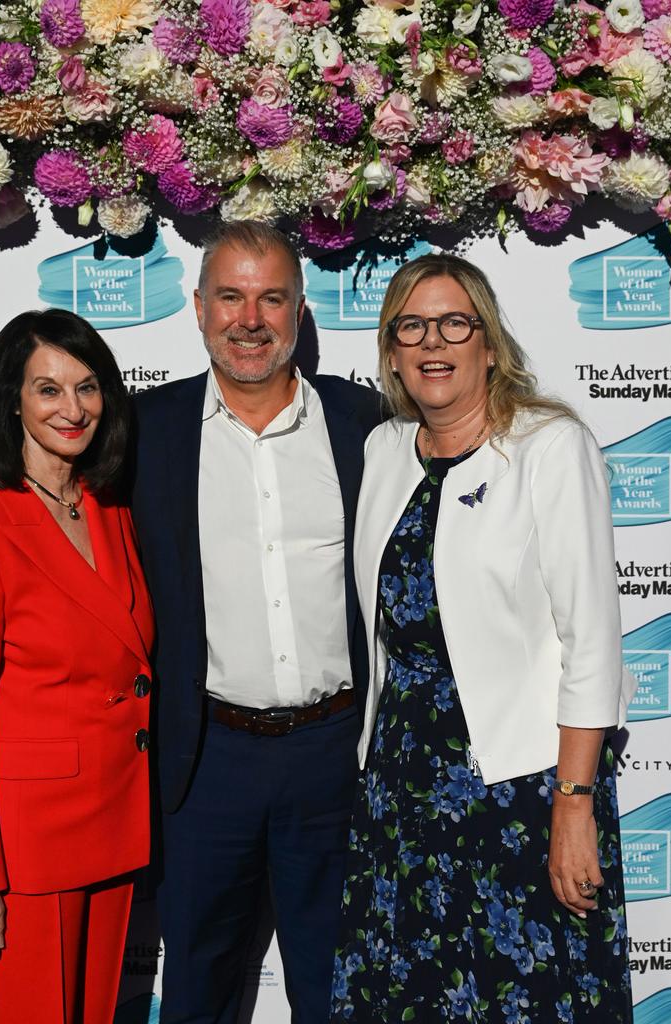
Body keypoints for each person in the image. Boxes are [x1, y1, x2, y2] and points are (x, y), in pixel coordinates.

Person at [330, 253, 637, 1023]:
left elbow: (591, 641)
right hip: (402, 789)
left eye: (455, 323)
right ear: (393, 351)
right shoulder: (384, 451)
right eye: (413, 325)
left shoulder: (549, 447)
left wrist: (574, 808)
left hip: (522, 788)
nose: (435, 342)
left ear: (489, 343)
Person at [131, 221, 382, 1024]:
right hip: (206, 761)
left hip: (336, 758)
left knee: (339, 988)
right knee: (197, 988)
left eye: (271, 298)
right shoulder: (145, 432)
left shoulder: (365, 424)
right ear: (198, 309)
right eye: (230, 298)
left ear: (300, 312)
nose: (250, 319)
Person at [0, 309, 154, 1024]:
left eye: (87, 388)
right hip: (29, 851)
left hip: (116, 825)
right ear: (11, 400)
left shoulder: (112, 510)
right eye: (48, 390)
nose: (73, 408)